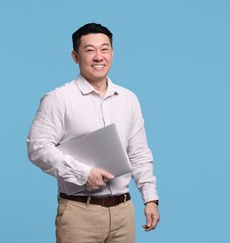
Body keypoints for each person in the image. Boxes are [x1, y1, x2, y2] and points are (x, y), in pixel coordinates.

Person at [27, 23, 159, 243]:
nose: (99, 57)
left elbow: (139, 152)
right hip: (79, 214)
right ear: (75, 56)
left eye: (104, 49)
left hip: (124, 213)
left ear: (112, 53)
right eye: (90, 50)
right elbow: (37, 147)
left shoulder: (129, 99)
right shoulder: (58, 99)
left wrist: (150, 198)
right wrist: (82, 173)